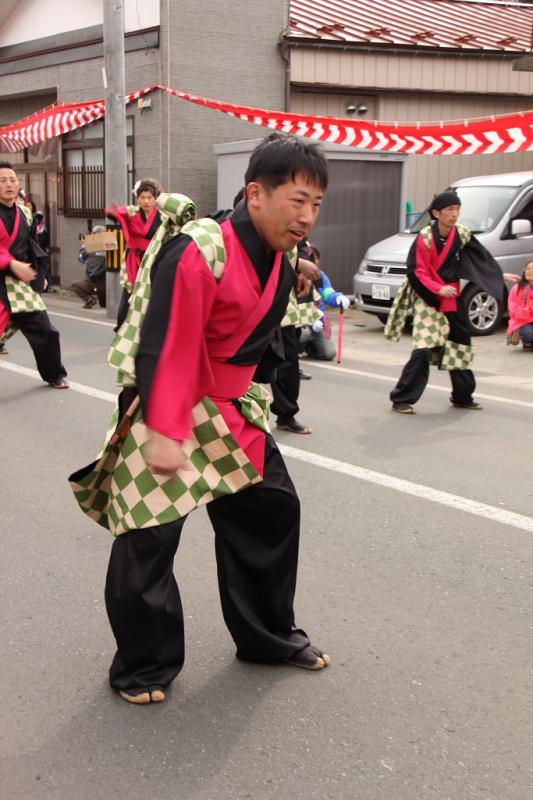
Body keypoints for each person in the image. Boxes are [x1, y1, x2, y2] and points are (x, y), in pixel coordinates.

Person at [102, 134, 330, 704]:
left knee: (272, 510)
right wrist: (163, 430)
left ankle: (266, 634)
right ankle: (144, 664)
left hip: (231, 409)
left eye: (317, 205)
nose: (307, 216)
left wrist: (294, 274)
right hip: (172, 401)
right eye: (297, 200)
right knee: (148, 540)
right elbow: (168, 341)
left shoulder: (279, 254)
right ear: (255, 193)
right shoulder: (201, 247)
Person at [387, 190, 503, 414]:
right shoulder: (425, 237)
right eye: (450, 209)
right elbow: (418, 272)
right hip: (427, 296)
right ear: (436, 213)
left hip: (453, 296)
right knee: (423, 347)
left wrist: (497, 276)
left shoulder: (463, 233)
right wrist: (438, 289)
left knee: (460, 345)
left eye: (457, 209)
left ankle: (462, 396)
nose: (455, 214)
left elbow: (483, 258)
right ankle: (401, 398)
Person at [0, 161, 68, 386]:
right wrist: (9, 263)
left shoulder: (26, 214)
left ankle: (55, 375)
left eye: (12, 179)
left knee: (46, 330)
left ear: (19, 183)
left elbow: (33, 247)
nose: (8, 184)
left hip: (19, 284)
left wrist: (42, 274)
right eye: (2, 180)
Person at [106, 178, 162, 327]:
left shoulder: (162, 216)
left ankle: (150, 328)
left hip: (153, 259)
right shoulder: (133, 212)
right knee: (130, 292)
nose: (146, 201)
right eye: (142, 198)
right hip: (134, 259)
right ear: (137, 199)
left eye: (149, 198)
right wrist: (115, 212)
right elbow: (117, 214)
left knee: (152, 293)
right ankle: (123, 327)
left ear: (156, 198)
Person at [298, 244, 350, 362]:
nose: (312, 261)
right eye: (309, 258)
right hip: (300, 322)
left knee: (328, 353)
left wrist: (338, 298)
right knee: (304, 334)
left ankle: (310, 347)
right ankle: (294, 351)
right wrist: (310, 321)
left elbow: (327, 292)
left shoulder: (321, 276)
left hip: (318, 322)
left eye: (314, 258)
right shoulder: (296, 276)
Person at [71, 226, 107, 308]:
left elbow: (81, 259)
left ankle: (89, 299)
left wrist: (84, 245)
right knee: (104, 305)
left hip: (92, 283)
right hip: (107, 286)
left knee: (74, 285)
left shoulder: (90, 247)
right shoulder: (110, 246)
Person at [506, 260, 533, 350]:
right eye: (527, 269)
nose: (529, 271)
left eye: (532, 269)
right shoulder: (517, 288)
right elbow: (512, 308)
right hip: (523, 321)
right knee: (528, 333)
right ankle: (527, 342)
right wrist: (523, 310)